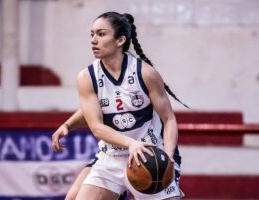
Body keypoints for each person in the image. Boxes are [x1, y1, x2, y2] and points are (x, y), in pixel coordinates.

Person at [54, 11, 186, 200]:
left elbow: (169, 119)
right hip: (112, 157)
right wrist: (67, 125)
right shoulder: (87, 77)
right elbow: (97, 125)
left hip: (148, 155)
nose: (93, 40)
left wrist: (168, 157)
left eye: (101, 34)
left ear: (120, 40)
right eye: (91, 34)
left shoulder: (146, 73)